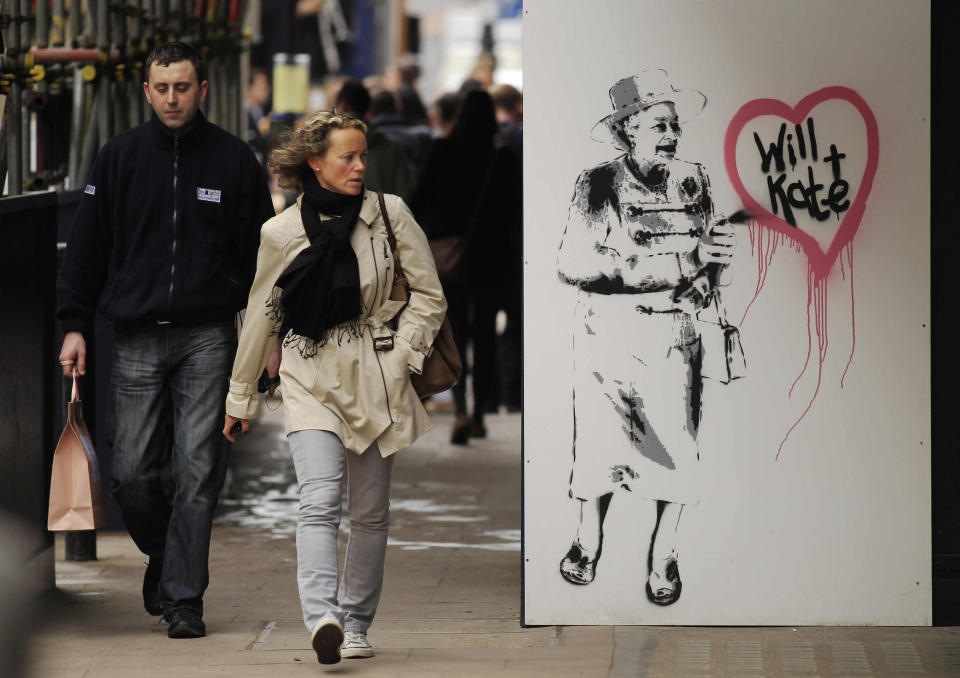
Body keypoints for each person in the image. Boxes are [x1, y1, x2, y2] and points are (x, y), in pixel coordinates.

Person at [56, 41, 275, 639]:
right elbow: (88, 246)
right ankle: (166, 554)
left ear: (201, 90)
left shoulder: (234, 162)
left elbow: (260, 255)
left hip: (208, 335)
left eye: (183, 86)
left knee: (200, 469)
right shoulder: (119, 157)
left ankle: (184, 600)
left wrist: (265, 335)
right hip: (134, 337)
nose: (173, 97)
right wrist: (74, 322)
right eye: (162, 87)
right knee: (129, 473)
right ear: (147, 90)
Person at [221, 111, 446, 664]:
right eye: (347, 156)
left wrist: (404, 357)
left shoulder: (389, 214)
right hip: (309, 373)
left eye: (363, 156)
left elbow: (430, 295)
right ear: (314, 162)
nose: (359, 166)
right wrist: (241, 397)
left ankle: (357, 619)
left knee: (370, 510)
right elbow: (262, 317)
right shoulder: (281, 233)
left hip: (377, 374)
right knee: (319, 499)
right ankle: (324, 616)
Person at [556, 70, 737, 605]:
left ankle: (664, 556)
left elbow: (712, 255)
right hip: (608, 339)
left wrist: (706, 280)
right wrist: (683, 262)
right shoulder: (598, 183)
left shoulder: (694, 179)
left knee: (678, 451)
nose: (671, 135)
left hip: (675, 339)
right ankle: (588, 542)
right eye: (659, 124)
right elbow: (574, 262)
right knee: (599, 447)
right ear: (628, 129)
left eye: (675, 125)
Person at [411, 90, 522, 444]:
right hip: (491, 257)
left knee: (454, 333)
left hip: (449, 258)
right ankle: (479, 414)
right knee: (486, 335)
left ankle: (459, 409)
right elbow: (516, 209)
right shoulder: (500, 156)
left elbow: (419, 201)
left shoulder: (442, 150)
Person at [334, 79, 415, 200]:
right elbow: (405, 193)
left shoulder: (328, 145)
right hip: (386, 217)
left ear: (343, 105)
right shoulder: (392, 147)